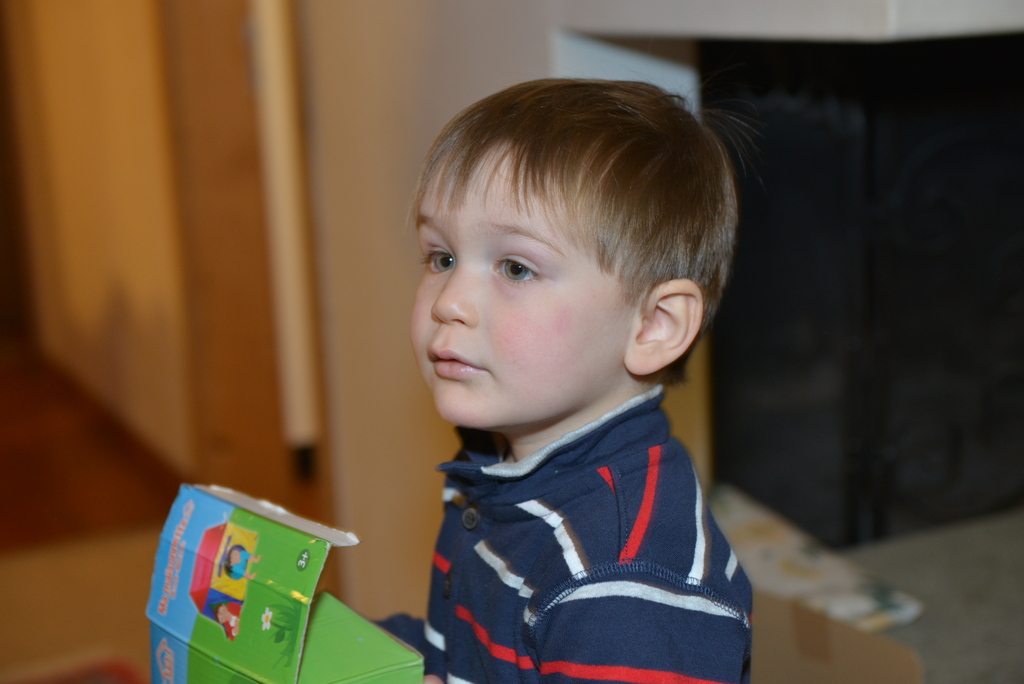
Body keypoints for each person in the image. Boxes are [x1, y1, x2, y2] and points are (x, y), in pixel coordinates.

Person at [386, 78, 752, 684]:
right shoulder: (503, 466)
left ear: (655, 325)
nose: (449, 301)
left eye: (515, 267)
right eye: (442, 258)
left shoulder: (622, 585)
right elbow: (467, 651)